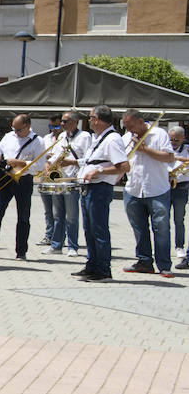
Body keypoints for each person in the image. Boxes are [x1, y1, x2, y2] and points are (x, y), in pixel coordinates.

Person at [73, 105, 130, 283]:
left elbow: (123, 166)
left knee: (98, 230)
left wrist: (98, 172)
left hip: (99, 189)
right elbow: (95, 160)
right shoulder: (99, 138)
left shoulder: (112, 139)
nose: (88, 121)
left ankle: (103, 270)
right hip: (89, 188)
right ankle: (92, 265)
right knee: (89, 229)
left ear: (97, 119)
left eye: (90, 118)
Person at [119, 109, 174, 277]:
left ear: (141, 122)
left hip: (157, 189)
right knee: (139, 229)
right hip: (134, 189)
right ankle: (144, 262)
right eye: (126, 127)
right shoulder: (126, 138)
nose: (129, 130)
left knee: (161, 228)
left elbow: (169, 157)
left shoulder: (159, 134)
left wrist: (145, 149)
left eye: (131, 126)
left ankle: (164, 265)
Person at [0, 113, 42, 260]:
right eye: (13, 129)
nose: (15, 132)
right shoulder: (9, 136)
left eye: (19, 130)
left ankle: (21, 251)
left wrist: (20, 163)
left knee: (23, 217)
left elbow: (39, 166)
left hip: (24, 180)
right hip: (6, 178)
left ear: (28, 126)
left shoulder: (38, 141)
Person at [45, 111, 88, 258]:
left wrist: (72, 162)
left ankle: (72, 246)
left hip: (73, 180)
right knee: (57, 215)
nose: (61, 124)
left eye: (65, 121)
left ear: (75, 122)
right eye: (61, 122)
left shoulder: (84, 137)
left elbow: (89, 159)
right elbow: (56, 155)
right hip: (59, 179)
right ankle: (56, 245)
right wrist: (49, 165)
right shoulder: (62, 136)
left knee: (71, 216)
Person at [36, 115, 61, 246]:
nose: (53, 129)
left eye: (56, 126)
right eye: (51, 126)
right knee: (48, 209)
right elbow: (40, 155)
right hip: (45, 176)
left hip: (58, 176)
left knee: (59, 210)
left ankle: (59, 236)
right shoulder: (46, 138)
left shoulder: (65, 139)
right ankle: (48, 235)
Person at [170, 126, 189, 269]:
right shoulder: (165, 148)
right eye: (171, 139)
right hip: (164, 186)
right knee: (161, 220)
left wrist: (176, 158)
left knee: (179, 218)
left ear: (183, 138)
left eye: (176, 139)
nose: (173, 142)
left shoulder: (187, 150)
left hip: (181, 187)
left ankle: (179, 246)